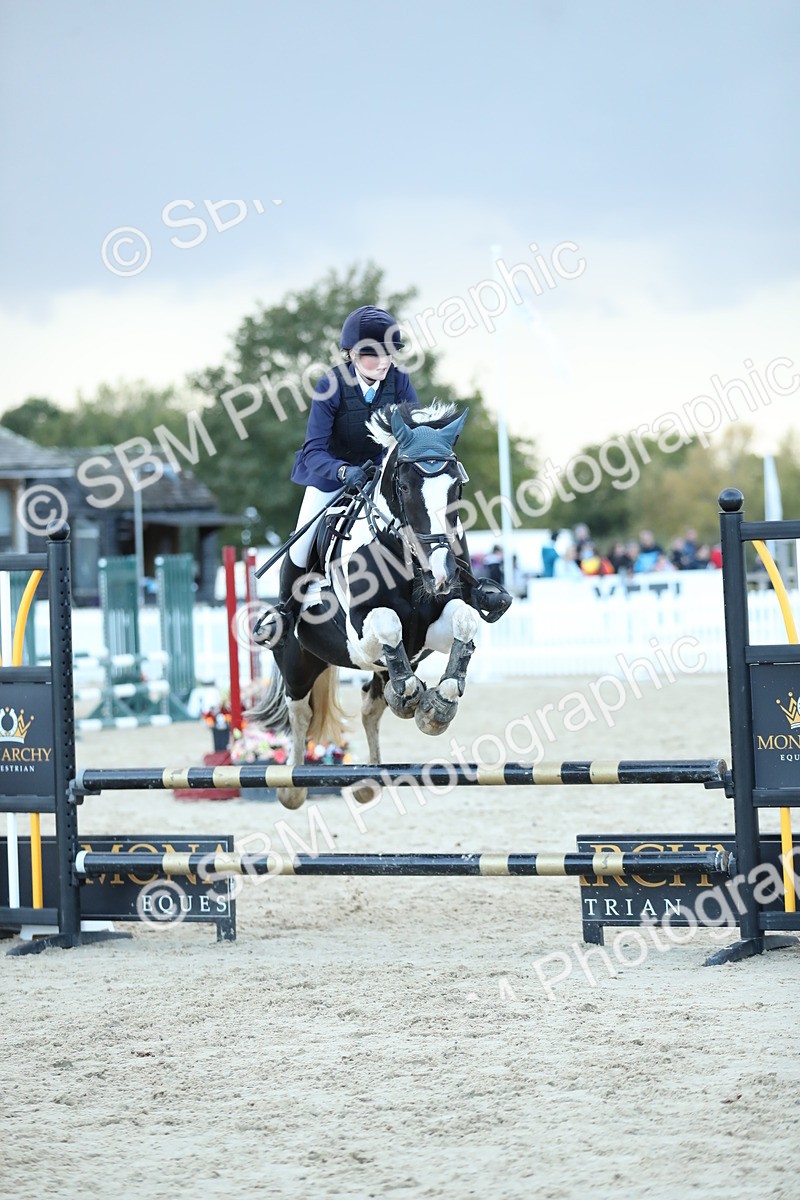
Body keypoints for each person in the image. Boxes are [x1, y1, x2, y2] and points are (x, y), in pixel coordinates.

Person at [256, 305, 510, 644]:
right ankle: (287, 611)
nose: (384, 361)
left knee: (440, 518)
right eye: (373, 354)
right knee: (303, 540)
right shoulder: (330, 385)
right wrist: (344, 470)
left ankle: (472, 587)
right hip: (333, 474)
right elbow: (314, 449)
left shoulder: (400, 381)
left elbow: (417, 435)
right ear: (351, 354)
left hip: (385, 476)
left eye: (389, 352)